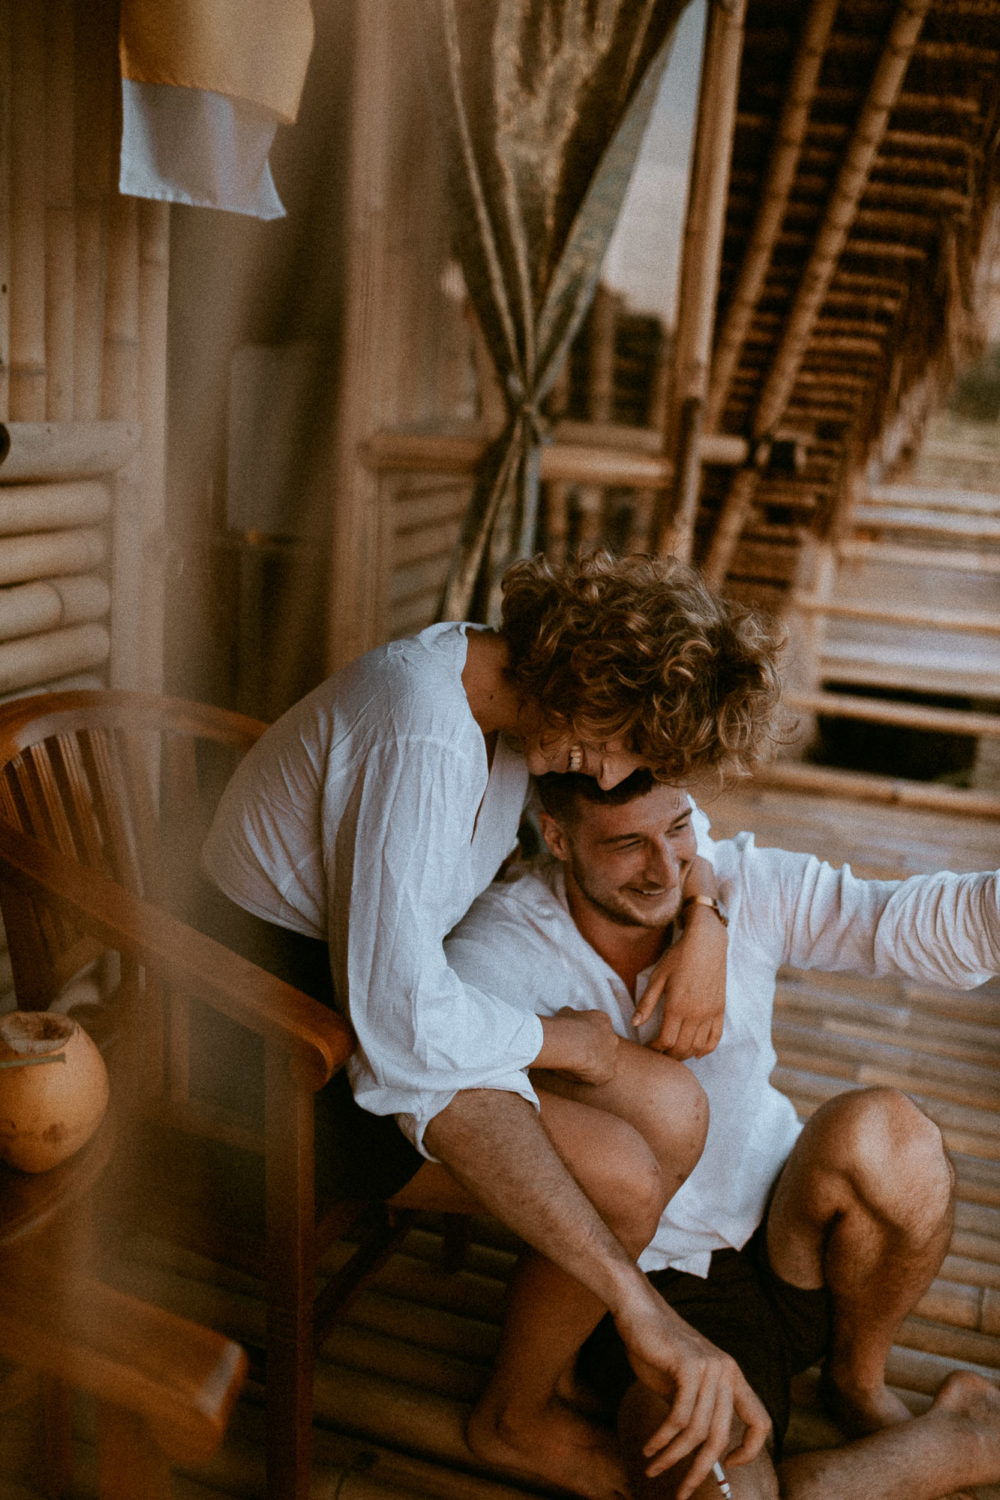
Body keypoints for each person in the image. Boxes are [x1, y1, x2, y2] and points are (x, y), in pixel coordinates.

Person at [200, 551, 783, 1498]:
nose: (620, 770)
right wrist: (571, 1045)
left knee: (673, 1107)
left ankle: (546, 1370)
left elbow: (682, 819)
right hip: (268, 1039)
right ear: (593, 672)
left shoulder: (511, 706)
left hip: (366, 994)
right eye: (626, 738)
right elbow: (397, 1028)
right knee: (630, 1176)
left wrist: (704, 908)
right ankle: (527, 1407)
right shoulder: (422, 730)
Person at [444, 766, 1000, 1499]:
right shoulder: (502, 947)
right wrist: (576, 1046)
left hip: (785, 1231)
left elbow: (894, 921)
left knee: (897, 1137)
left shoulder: (735, 885)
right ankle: (956, 1446)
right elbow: (435, 1062)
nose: (663, 868)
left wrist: (708, 912)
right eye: (627, 844)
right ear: (556, 835)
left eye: (677, 829)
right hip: (655, 1297)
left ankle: (856, 1379)